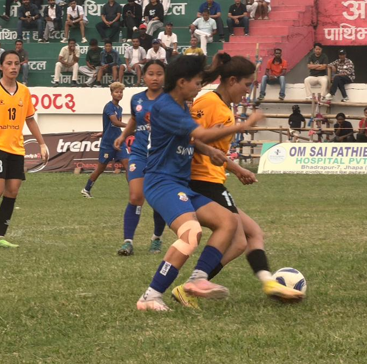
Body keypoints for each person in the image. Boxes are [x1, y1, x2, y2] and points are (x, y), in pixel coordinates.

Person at [171, 53, 301, 308]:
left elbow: (214, 149)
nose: (247, 91)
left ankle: (264, 281)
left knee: (251, 234)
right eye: (247, 84)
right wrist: (214, 155)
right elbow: (189, 137)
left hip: (213, 180)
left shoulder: (223, 106)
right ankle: (196, 282)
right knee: (241, 238)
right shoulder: (209, 102)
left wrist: (237, 168)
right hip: (201, 181)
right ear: (232, 80)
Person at [135, 54, 262, 312]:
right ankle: (150, 297)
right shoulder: (167, 107)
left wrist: (209, 150)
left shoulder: (180, 104)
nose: (199, 88)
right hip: (161, 182)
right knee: (191, 232)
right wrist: (242, 126)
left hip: (180, 184)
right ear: (182, 82)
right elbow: (201, 133)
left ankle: (198, 278)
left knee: (228, 221)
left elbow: (192, 139)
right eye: (196, 83)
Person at [0, 51, 48, 249]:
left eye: (16, 63)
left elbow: (30, 119)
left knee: (12, 191)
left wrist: (42, 144)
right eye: (9, 63)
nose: (13, 67)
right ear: (1, 67)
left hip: (16, 149)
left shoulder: (24, 91)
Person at [111, 61, 167, 256]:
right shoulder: (136, 99)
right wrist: (123, 135)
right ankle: (128, 242)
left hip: (161, 156)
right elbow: (135, 119)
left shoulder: (171, 99)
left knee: (159, 200)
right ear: (143, 76)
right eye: (150, 74)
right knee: (136, 196)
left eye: (159, 74)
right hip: (139, 153)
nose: (155, 78)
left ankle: (156, 238)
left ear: (165, 77)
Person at [81, 82, 128, 198]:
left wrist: (103, 132)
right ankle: (86, 189)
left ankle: (134, 192)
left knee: (128, 166)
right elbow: (115, 122)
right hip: (108, 144)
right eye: (116, 92)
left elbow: (113, 126)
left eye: (121, 92)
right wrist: (130, 126)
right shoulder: (109, 107)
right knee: (100, 169)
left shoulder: (120, 108)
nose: (119, 94)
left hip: (119, 142)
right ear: (111, 93)